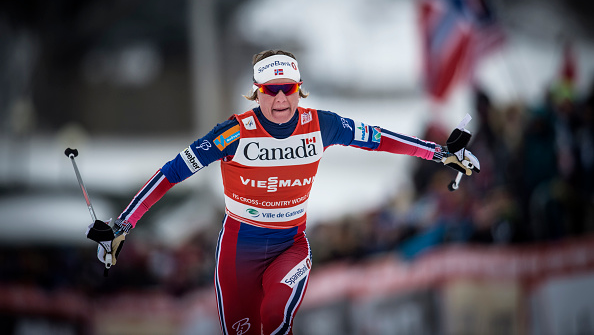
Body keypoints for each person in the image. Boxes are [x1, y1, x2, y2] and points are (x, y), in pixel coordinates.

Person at [88, 49, 480, 335]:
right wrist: (124, 223)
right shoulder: (235, 132)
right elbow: (171, 172)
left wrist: (441, 152)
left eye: (287, 89)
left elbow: (378, 139)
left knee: (275, 317)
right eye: (271, 90)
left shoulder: (320, 124)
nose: (279, 99)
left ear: (299, 90)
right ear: (256, 93)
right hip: (237, 249)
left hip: (289, 245)